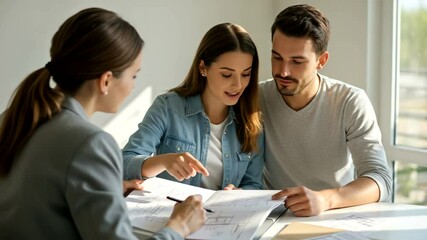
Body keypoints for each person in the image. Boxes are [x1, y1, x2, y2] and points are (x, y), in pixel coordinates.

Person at [0, 8, 205, 240]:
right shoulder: (90, 144)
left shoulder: (13, 117)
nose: (133, 86)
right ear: (106, 80)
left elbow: (39, 195)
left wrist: (108, 188)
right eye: (134, 75)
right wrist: (179, 227)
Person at [260, 4, 392, 216]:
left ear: (321, 61)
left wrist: (325, 199)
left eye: (297, 61)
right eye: (277, 58)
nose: (283, 71)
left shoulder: (350, 101)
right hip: (274, 218)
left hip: (335, 216)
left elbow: (380, 180)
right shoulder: (257, 99)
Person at [122, 23, 264, 191]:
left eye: (246, 74)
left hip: (225, 216)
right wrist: (163, 161)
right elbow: (124, 163)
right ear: (203, 68)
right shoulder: (168, 107)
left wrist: (239, 194)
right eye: (227, 75)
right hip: (174, 214)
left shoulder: (252, 121)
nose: (238, 85)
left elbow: (254, 184)